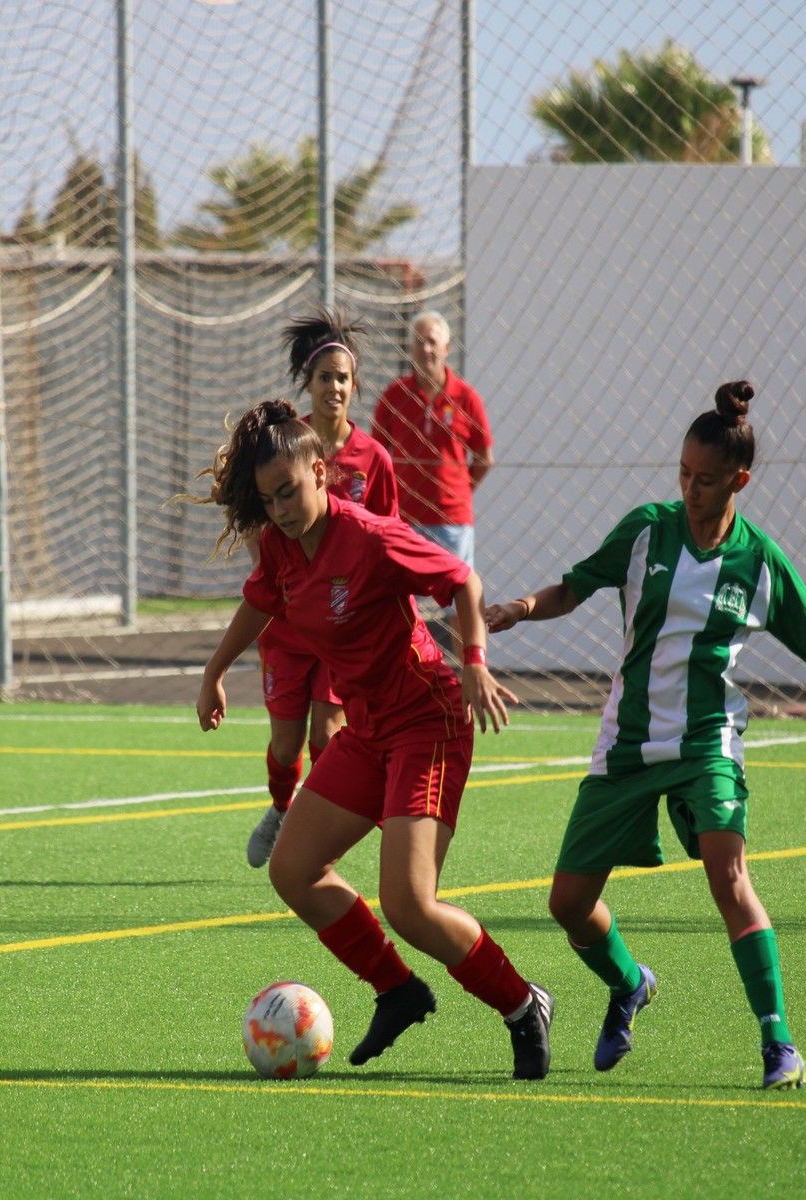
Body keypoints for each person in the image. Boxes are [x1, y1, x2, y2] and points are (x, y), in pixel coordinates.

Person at [486, 381, 806, 1090]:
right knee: (567, 905)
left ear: (739, 481)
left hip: (708, 742)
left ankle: (779, 1044)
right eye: (683, 473)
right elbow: (577, 585)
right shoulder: (648, 530)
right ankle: (629, 983)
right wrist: (522, 608)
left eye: (705, 480)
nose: (690, 488)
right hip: (627, 742)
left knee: (728, 873)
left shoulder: (757, 560)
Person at [192, 398, 554, 1079]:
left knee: (411, 904)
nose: (280, 510)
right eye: (268, 500)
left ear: (322, 473)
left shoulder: (369, 536)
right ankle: (398, 989)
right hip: (368, 731)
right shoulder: (279, 545)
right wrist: (214, 670)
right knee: (292, 871)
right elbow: (261, 599)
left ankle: (522, 1003)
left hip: (427, 721)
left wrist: (474, 662)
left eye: (289, 493)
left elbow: (462, 581)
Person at [244, 308, 400, 869]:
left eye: (343, 377)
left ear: (354, 386)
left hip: (344, 629)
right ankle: (283, 806)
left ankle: (313, 835)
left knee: (328, 734)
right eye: (323, 377)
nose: (334, 386)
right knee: (285, 746)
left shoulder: (373, 459)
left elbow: (389, 542)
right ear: (306, 384)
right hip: (288, 626)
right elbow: (253, 516)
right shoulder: (285, 445)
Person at [371, 312, 493, 652]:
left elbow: (484, 457)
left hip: (452, 521)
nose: (426, 349)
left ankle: (471, 672)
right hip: (403, 521)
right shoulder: (394, 396)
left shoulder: (466, 397)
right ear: (409, 348)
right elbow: (377, 453)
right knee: (396, 601)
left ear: (447, 348)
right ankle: (403, 675)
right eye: (419, 342)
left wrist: (459, 489)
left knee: (461, 602)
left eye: (432, 342)